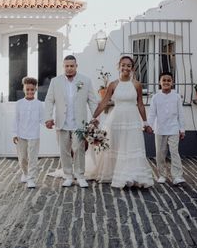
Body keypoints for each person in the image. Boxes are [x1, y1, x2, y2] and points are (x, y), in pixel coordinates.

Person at [91, 55, 154, 188]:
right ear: (118, 66)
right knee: (117, 146)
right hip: (116, 120)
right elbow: (104, 102)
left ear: (132, 68)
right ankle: (116, 174)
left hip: (132, 120)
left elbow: (141, 104)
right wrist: (94, 117)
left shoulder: (136, 84)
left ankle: (132, 175)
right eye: (123, 65)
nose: (125, 68)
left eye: (129, 65)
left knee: (131, 147)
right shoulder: (113, 84)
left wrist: (146, 123)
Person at [44, 55, 99, 188]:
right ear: (63, 66)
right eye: (66, 66)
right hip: (62, 122)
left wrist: (95, 117)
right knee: (64, 150)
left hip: (79, 123)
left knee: (79, 149)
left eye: (72, 66)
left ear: (76, 66)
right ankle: (68, 176)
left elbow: (92, 100)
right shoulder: (55, 82)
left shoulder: (85, 80)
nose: (69, 68)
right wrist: (48, 117)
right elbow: (49, 100)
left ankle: (80, 176)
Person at [148, 72, 186, 185]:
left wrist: (182, 129)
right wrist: (148, 126)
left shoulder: (176, 97)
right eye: (164, 80)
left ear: (172, 82)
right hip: (160, 129)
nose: (166, 82)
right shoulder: (155, 97)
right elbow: (152, 114)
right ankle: (162, 175)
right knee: (160, 153)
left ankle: (177, 176)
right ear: (160, 82)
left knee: (174, 152)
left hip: (174, 128)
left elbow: (181, 114)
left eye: (168, 80)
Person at [13, 77, 45, 189]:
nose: (30, 92)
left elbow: (42, 119)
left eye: (32, 89)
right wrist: (14, 133)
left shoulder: (39, 104)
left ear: (35, 89)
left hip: (34, 135)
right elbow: (16, 119)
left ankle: (31, 178)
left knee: (32, 157)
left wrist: (49, 123)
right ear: (24, 89)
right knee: (22, 158)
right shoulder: (19, 103)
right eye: (28, 89)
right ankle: (25, 173)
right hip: (21, 135)